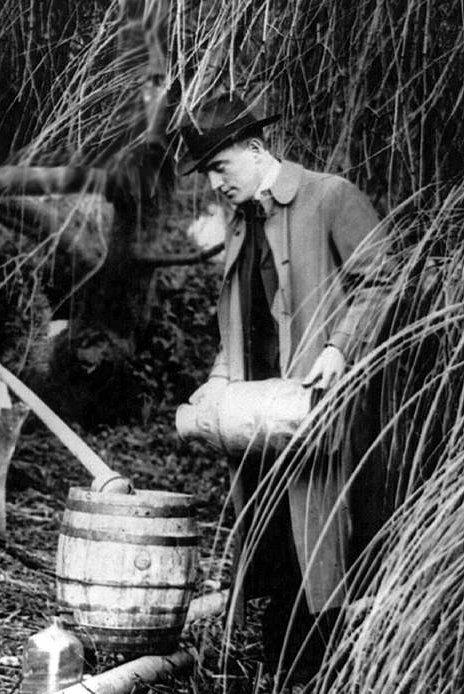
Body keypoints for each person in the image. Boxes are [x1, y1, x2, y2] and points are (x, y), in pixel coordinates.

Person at [176, 94, 386, 681]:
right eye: (208, 173)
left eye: (220, 167)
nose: (215, 184)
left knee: (321, 553)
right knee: (270, 550)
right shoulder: (244, 224)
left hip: (320, 413)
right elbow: (239, 325)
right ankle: (280, 675)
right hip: (258, 418)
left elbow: (384, 281)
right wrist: (217, 385)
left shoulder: (330, 196)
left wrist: (339, 348)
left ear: (255, 149)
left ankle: (328, 675)